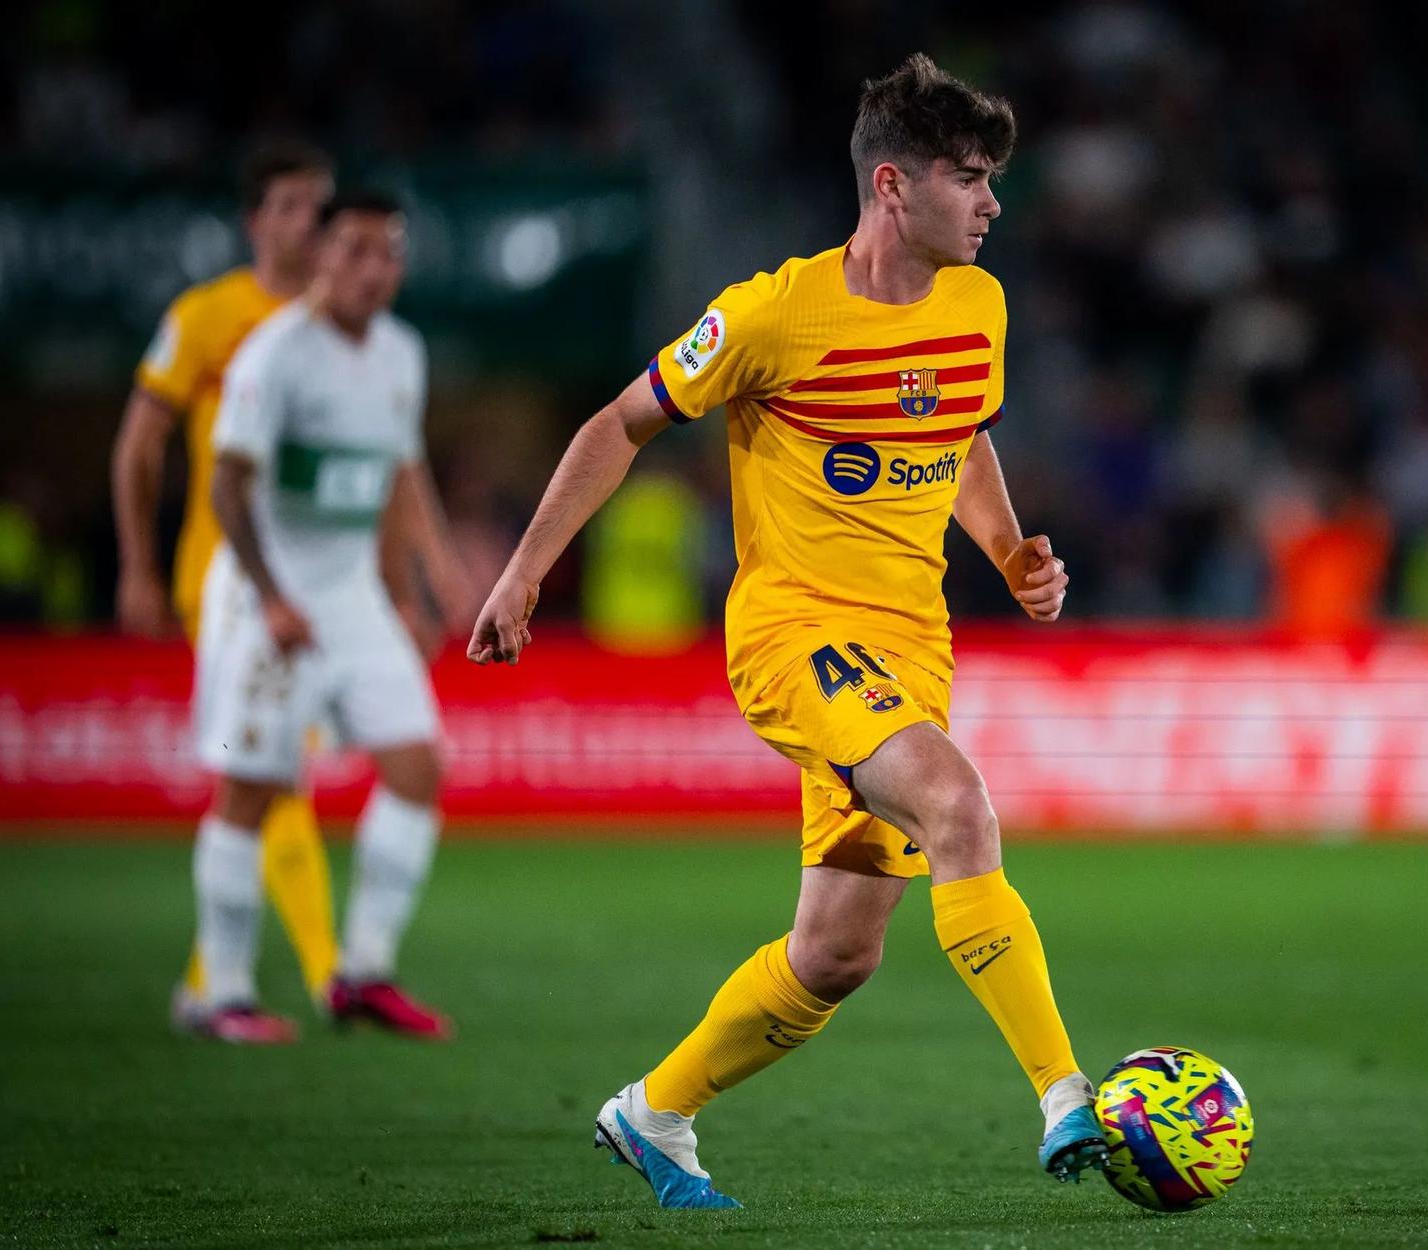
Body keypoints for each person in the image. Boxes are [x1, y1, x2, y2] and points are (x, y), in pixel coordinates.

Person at [468, 54, 1103, 1209]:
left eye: (995, 179)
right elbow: (618, 424)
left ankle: (652, 1112)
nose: (993, 203)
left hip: (912, 644)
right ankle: (1068, 1095)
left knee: (835, 954)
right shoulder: (770, 313)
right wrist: (522, 572)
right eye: (970, 178)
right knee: (959, 804)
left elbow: (958, 432)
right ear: (893, 187)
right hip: (794, 632)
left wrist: (1009, 552)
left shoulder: (980, 303)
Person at [188, 189, 465, 1043]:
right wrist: (270, 596)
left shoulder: (400, 353)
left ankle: (361, 972)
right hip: (266, 598)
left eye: (387, 253)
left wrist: (426, 582)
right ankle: (221, 991)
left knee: (418, 767)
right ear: (321, 257)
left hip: (352, 600)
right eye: (353, 250)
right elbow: (226, 485)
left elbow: (397, 478)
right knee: (253, 789)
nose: (372, 269)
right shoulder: (273, 357)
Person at [111, 142, 345, 1030]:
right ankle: (331, 976)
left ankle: (210, 978)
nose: (306, 224)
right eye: (288, 205)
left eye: (319, 208)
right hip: (230, 580)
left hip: (317, 583)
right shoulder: (207, 317)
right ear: (255, 221)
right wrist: (136, 562)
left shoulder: (339, 327)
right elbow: (139, 444)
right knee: (272, 774)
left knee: (273, 772)